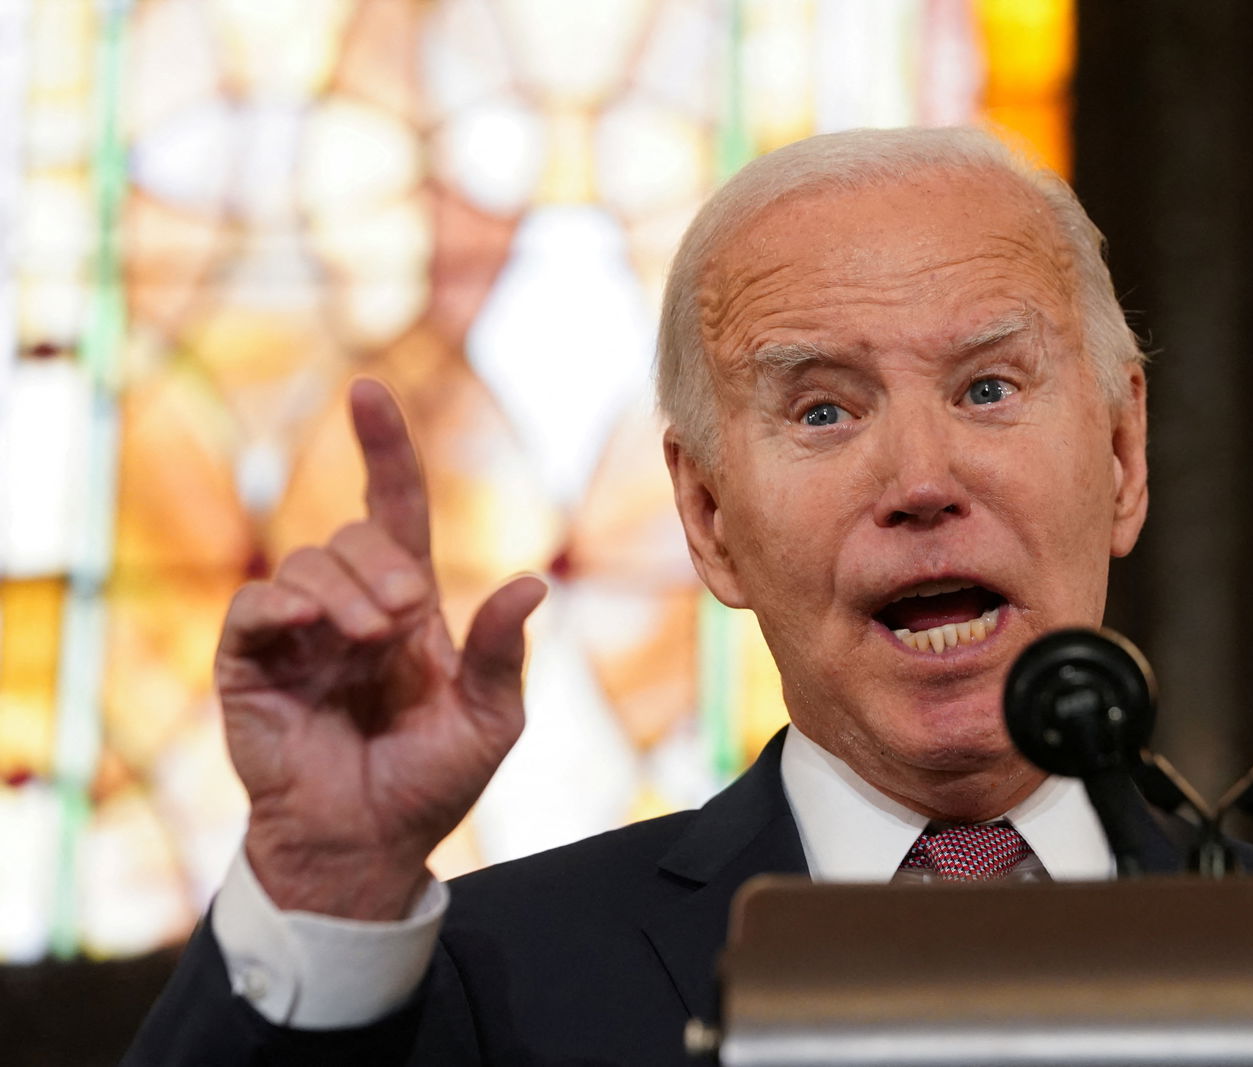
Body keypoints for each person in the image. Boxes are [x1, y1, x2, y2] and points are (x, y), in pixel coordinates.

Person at [125, 125, 1179, 1065]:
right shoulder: (491, 983)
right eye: (822, 411)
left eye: (986, 388)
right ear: (709, 517)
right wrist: (323, 884)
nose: (919, 481)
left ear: (1122, 456)